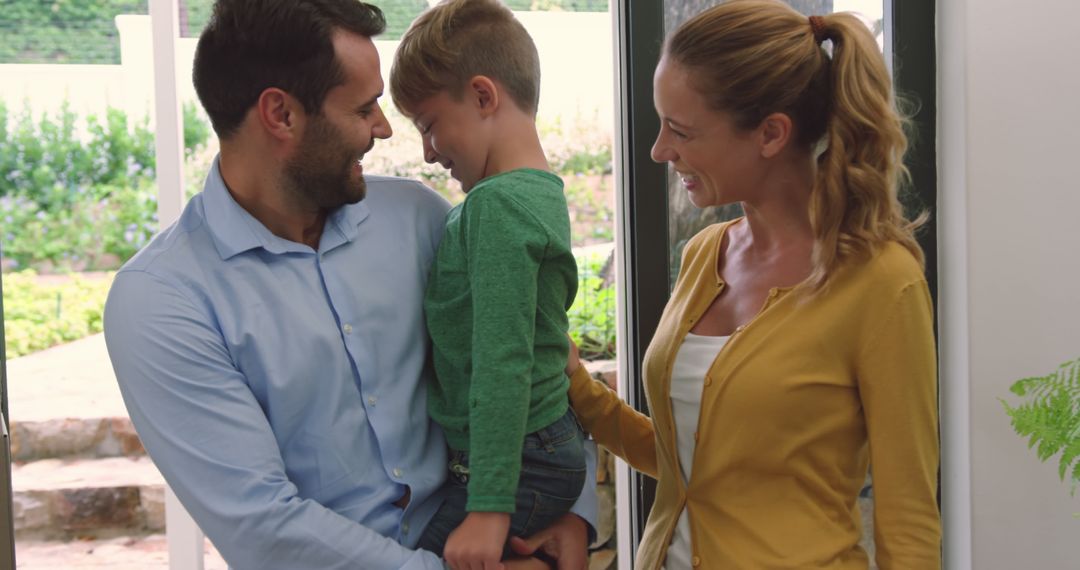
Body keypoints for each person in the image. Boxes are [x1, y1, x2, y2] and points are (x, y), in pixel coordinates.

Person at [102, 1, 595, 569]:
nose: (385, 129)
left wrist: (573, 515)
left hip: (492, 537)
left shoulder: (423, 219)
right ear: (280, 114)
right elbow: (263, 525)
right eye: (364, 109)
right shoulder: (161, 301)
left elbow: (536, 353)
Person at [564, 1, 941, 568]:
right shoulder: (703, 255)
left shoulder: (881, 281)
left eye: (681, 130)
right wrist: (579, 387)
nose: (660, 150)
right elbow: (691, 463)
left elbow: (908, 514)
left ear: (770, 133)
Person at [387, 2, 587, 569]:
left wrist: (491, 506)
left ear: (482, 96)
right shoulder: (539, 190)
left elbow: (503, 359)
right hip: (533, 448)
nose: (427, 151)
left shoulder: (496, 207)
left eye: (428, 125)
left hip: (519, 458)